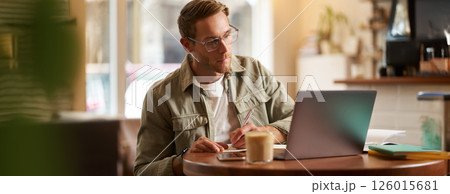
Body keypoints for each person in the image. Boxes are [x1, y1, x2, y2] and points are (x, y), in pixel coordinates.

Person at [134, 0, 294, 176]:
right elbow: (143, 172)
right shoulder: (160, 96)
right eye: (212, 42)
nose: (224, 49)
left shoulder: (255, 71)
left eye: (227, 35)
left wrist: (266, 133)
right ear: (187, 45)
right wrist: (184, 160)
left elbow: (296, 119)